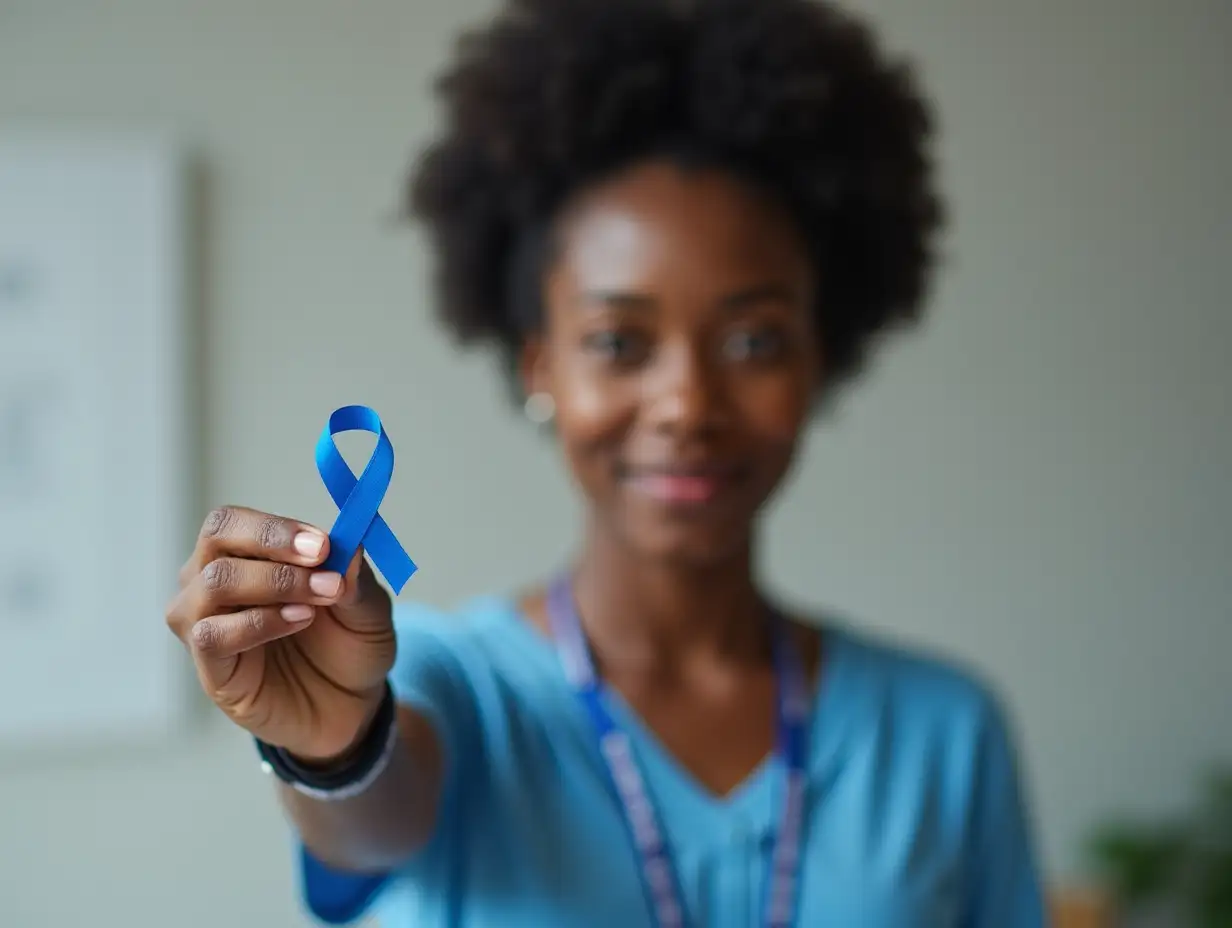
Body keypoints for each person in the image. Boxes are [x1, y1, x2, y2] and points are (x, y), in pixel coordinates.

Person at [165, 0, 1047, 925]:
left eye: (754, 341)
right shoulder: (439, 682)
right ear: (539, 364)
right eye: (620, 342)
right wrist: (334, 750)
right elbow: (374, 823)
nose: (689, 405)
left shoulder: (944, 735)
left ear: (819, 357)